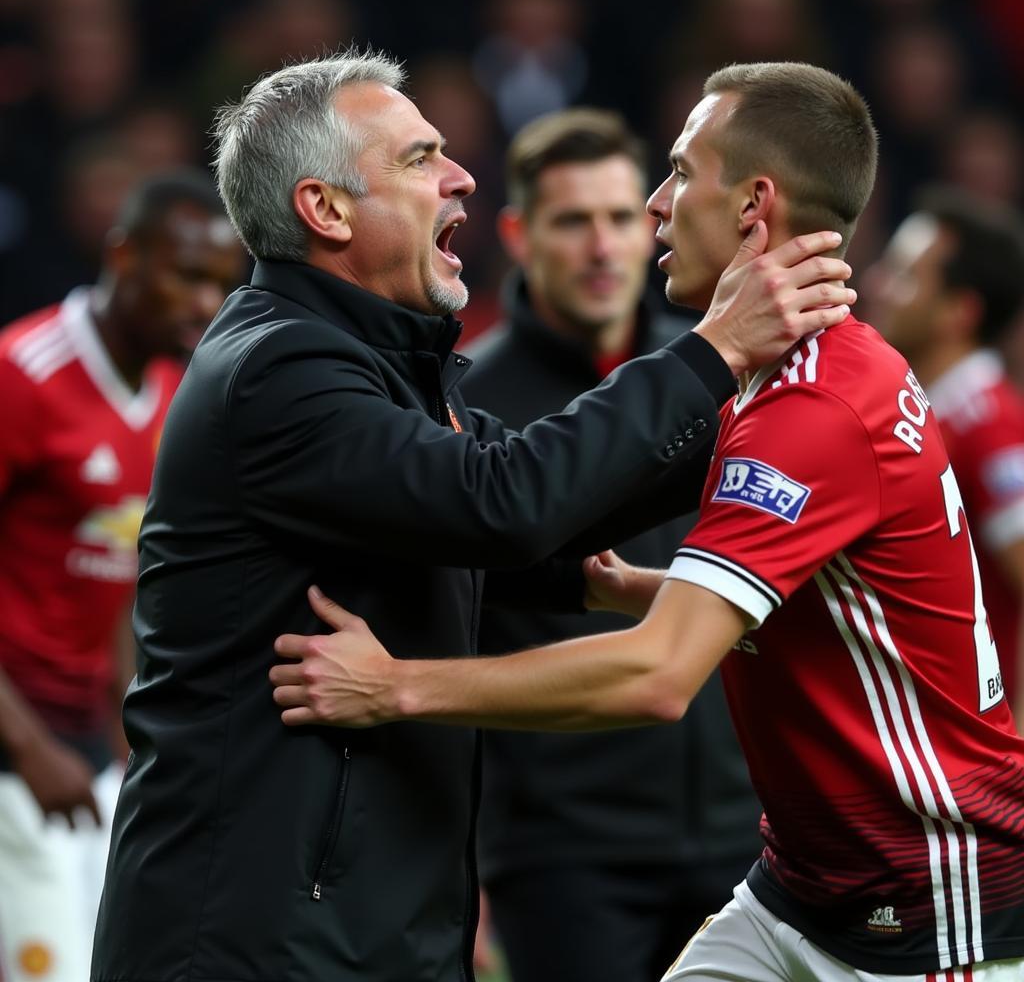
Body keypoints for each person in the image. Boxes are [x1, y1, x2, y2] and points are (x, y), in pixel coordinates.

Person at [90, 49, 856, 982]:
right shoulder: (276, 372)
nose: (459, 176)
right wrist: (714, 355)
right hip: (253, 936)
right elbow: (503, 502)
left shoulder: (384, 364)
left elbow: (530, 510)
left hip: (368, 918)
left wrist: (779, 409)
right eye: (418, 160)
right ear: (324, 210)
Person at [272, 61, 1024, 982]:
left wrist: (397, 687)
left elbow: (661, 676)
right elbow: (835, 609)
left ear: (754, 203)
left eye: (678, 172)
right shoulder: (805, 373)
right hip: (800, 890)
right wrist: (632, 588)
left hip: (927, 898)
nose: (658, 204)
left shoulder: (814, 408)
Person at [462, 107, 762, 982]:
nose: (603, 247)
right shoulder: (466, 403)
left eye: (622, 217)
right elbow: (446, 621)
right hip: (561, 854)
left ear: (653, 223)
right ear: (519, 235)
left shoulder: (725, 373)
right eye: (572, 220)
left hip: (745, 834)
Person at [0, 169, 242, 982]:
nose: (204, 303)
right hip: (16, 749)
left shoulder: (176, 394)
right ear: (123, 254)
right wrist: (30, 749)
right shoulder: (22, 376)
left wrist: (130, 729)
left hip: (86, 755)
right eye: (185, 274)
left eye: (220, 283)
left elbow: (123, 576)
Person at [868, 186, 1024, 733]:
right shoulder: (933, 414)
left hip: (976, 752)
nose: (878, 285)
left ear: (960, 312)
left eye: (906, 275)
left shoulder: (991, 426)